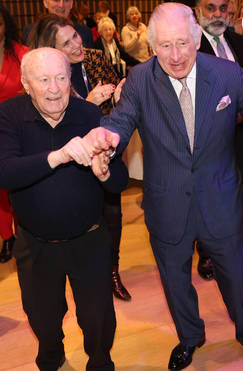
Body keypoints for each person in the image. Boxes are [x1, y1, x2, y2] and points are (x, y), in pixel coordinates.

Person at [82, 3, 243, 370]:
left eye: (182, 44)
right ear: (151, 46)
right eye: (164, 46)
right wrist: (106, 137)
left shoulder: (226, 74)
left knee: (236, 276)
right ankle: (190, 338)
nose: (175, 56)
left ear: (196, 39)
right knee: (174, 280)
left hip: (220, 198)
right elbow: (121, 122)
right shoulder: (141, 80)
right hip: (167, 202)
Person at [0, 47, 127, 371]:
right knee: (42, 315)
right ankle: (51, 355)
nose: (54, 88)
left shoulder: (89, 115)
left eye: (61, 78)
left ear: (71, 80)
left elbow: (120, 183)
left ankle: (100, 362)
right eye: (44, 80)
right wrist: (60, 155)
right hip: (35, 244)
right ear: (27, 85)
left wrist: (105, 171)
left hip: (89, 240)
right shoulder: (9, 115)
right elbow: (6, 171)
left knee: (97, 316)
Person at [27, 14, 133, 302]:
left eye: (76, 36)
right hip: (70, 163)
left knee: (113, 215)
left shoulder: (95, 58)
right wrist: (88, 105)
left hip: (104, 152)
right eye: (67, 42)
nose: (77, 44)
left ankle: (112, 271)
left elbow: (118, 98)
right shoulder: (48, 78)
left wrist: (121, 94)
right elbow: (56, 128)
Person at [194, 0, 243, 281]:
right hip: (204, 137)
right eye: (211, 8)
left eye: (223, 8)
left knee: (234, 192)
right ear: (198, 10)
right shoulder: (189, 44)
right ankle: (207, 253)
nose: (217, 14)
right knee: (207, 196)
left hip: (238, 134)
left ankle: (230, 245)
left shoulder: (242, 44)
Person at [0, 5, 28, 263]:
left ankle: (23, 234)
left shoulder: (21, 54)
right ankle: (6, 237)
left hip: (15, 130)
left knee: (17, 185)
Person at [22, 0, 94, 49]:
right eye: (56, 0)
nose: (61, 5)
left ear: (71, 4)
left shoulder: (85, 33)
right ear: (45, 3)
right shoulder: (31, 31)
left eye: (66, 0)